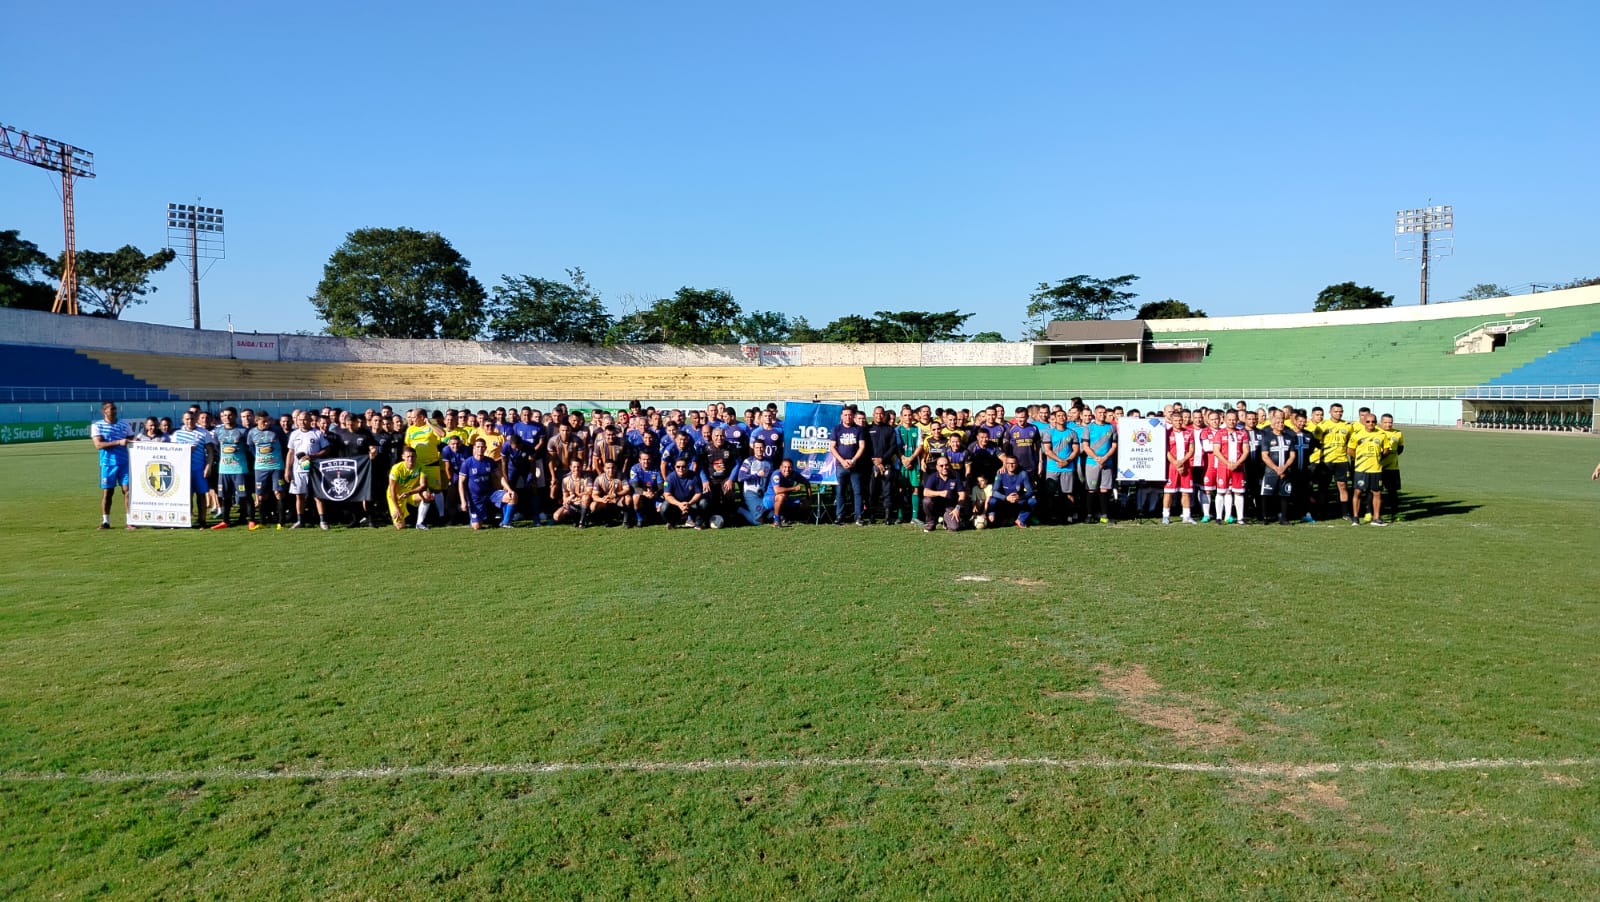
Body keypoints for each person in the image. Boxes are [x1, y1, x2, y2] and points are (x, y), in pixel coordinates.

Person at [90, 401, 134, 530]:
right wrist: (118, 442)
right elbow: (98, 445)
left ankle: (130, 521)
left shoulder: (124, 423)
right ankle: (105, 521)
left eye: (115, 409)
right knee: (108, 492)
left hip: (124, 463)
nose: (114, 411)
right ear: (104, 411)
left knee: (128, 491)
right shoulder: (97, 426)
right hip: (108, 464)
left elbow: (132, 439)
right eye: (111, 409)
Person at [284, 409, 330, 530]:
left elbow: (326, 449)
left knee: (318, 496)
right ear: (297, 421)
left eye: (305, 419)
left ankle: (323, 521)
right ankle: (300, 521)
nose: (303, 422)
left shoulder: (317, 433)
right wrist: (287, 470)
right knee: (299, 496)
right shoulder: (294, 434)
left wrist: (313, 456)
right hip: (298, 470)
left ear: (310, 421)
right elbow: (290, 452)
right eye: (300, 420)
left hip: (314, 470)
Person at [171, 410, 213, 529]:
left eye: (192, 418)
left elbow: (210, 451)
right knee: (185, 496)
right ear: (183, 420)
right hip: (182, 470)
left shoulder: (203, 433)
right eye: (187, 419)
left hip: (198, 469)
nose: (190, 421)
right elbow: (172, 452)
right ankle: (184, 520)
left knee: (201, 495)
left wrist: (208, 467)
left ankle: (202, 521)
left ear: (196, 419)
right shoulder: (177, 434)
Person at [210, 407, 251, 529]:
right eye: (224, 416)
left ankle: (246, 518)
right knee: (225, 496)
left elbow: (249, 449)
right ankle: (225, 520)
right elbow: (217, 447)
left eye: (230, 415)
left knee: (244, 495)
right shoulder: (218, 431)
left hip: (239, 468)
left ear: (235, 416)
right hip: (224, 469)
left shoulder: (242, 431)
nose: (227, 418)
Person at [247, 410, 288, 529]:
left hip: (276, 467)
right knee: (261, 495)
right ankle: (263, 522)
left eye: (268, 421)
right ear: (256, 421)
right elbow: (251, 449)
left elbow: (285, 446)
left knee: (279, 493)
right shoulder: (252, 433)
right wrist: (260, 459)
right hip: (260, 468)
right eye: (264, 421)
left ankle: (281, 522)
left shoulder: (276, 430)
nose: (267, 423)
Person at [1348, 408, 1388, 526]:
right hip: (1361, 469)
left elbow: (1386, 450)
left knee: (1377, 493)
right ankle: (1355, 518)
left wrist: (1378, 458)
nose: (1371, 424)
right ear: (1364, 422)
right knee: (1358, 492)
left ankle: (1376, 518)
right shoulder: (1357, 434)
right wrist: (1359, 458)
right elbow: (1350, 450)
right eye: (1368, 421)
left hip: (1376, 469)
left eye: (1373, 422)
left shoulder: (1381, 434)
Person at [829, 405, 867, 525]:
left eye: (850, 415)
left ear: (853, 416)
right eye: (845, 415)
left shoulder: (858, 429)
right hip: (841, 466)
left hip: (856, 466)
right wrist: (842, 460)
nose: (847, 417)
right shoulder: (837, 429)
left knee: (857, 492)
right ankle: (840, 516)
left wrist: (853, 460)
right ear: (841, 416)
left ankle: (858, 516)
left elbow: (862, 446)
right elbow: (832, 447)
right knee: (840, 492)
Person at [1258, 409, 1298, 524]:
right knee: (1266, 494)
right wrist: (1276, 469)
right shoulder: (1267, 437)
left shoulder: (1289, 437)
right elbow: (1264, 456)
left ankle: (1284, 518)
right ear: (1272, 425)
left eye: (1282, 423)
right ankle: (1265, 517)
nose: (1280, 425)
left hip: (1285, 471)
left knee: (1284, 494)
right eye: (1277, 423)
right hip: (1271, 471)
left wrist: (1284, 468)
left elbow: (1292, 455)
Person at [1319, 403, 1356, 522]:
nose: (1338, 413)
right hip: (1327, 461)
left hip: (1342, 461)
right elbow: (1316, 442)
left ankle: (1345, 513)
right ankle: (1323, 512)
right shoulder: (1323, 425)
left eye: (1340, 411)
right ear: (1330, 412)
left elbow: (1351, 441)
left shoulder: (1347, 426)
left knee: (1342, 486)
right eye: (1336, 411)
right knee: (1324, 487)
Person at [457, 437, 503, 529]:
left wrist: (508, 489)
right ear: (474, 448)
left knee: (511, 497)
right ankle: (476, 519)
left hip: (490, 494)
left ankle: (505, 522)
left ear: (485, 448)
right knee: (476, 527)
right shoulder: (467, 463)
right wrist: (463, 501)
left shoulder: (490, 461)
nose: (480, 449)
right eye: (478, 447)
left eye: (482, 447)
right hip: (475, 498)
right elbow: (461, 482)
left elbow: (500, 477)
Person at [866, 407, 902, 525]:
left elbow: (892, 447)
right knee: (872, 491)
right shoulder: (868, 429)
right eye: (876, 413)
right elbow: (865, 447)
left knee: (887, 491)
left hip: (886, 464)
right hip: (872, 465)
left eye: (881, 414)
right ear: (873, 414)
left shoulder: (889, 429)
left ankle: (888, 516)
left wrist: (882, 459)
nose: (879, 416)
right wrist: (874, 461)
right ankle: (872, 515)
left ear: (884, 415)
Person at [1162, 409, 1196, 525]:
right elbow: (1165, 451)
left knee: (1186, 492)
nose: (1178, 422)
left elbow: (1191, 450)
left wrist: (1182, 461)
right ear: (1171, 421)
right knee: (1169, 492)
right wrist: (1175, 463)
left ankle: (1186, 516)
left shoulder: (1188, 432)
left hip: (1185, 466)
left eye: (1180, 420)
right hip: (1172, 467)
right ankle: (1166, 516)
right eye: (1176, 420)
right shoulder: (1167, 433)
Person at [728, 440, 774, 525]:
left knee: (771, 515)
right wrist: (756, 475)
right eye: (757, 448)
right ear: (753, 448)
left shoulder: (769, 462)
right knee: (758, 522)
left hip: (763, 493)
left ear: (764, 448)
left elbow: (770, 479)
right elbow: (740, 478)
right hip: (751, 494)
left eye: (761, 447)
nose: (759, 449)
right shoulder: (748, 461)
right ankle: (740, 509)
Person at [387, 444, 432, 530]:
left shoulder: (421, 467)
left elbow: (423, 485)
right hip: (397, 496)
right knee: (400, 527)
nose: (410, 459)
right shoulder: (396, 468)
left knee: (427, 495)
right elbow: (392, 490)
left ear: (416, 456)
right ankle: (395, 515)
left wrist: (409, 493)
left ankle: (419, 523)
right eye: (408, 457)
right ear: (403, 457)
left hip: (409, 493)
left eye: (412, 456)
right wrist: (397, 508)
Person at [988, 453, 1036, 528]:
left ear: (1017, 464)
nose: (1011, 465)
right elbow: (994, 492)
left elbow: (1030, 491)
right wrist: (1006, 498)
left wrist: (1020, 497)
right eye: (1008, 463)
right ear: (1005, 464)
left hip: (1018, 500)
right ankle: (993, 516)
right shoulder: (1000, 474)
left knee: (1033, 501)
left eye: (1013, 463)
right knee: (992, 501)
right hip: (1004, 501)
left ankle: (1021, 519)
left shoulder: (1023, 474)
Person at [922, 455, 966, 532]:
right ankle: (931, 522)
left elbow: (962, 494)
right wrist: (940, 493)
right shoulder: (933, 477)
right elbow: (925, 492)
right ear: (937, 467)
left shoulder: (955, 476)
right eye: (941, 466)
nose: (944, 467)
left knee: (954, 528)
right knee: (926, 501)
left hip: (949, 506)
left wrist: (957, 508)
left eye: (946, 465)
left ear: (949, 465)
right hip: (935, 506)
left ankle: (945, 521)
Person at [663, 457, 709, 529]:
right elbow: (667, 495)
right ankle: (672, 522)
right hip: (676, 503)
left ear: (688, 467)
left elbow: (698, 493)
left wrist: (689, 503)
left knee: (704, 502)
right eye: (678, 466)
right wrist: (679, 504)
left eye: (683, 466)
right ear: (675, 467)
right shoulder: (669, 478)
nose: (681, 469)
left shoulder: (694, 477)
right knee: (664, 508)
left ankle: (699, 522)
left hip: (692, 503)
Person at [767, 457, 811, 527]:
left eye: (789, 467)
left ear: (792, 468)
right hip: (770, 500)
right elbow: (777, 490)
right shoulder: (776, 474)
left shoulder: (794, 474)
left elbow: (807, 483)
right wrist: (793, 488)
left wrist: (809, 498)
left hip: (785, 499)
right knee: (781, 496)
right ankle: (776, 520)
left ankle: (792, 518)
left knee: (804, 502)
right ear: (780, 467)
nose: (787, 469)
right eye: (785, 467)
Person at [628, 449, 664, 528]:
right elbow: (635, 486)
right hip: (641, 494)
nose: (646, 462)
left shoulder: (656, 469)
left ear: (651, 459)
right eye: (644, 459)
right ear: (639, 460)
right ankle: (639, 519)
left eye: (648, 459)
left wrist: (655, 493)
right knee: (635, 497)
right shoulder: (634, 469)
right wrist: (645, 493)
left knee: (662, 507)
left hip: (654, 493)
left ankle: (656, 518)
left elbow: (661, 486)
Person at [1378, 414, 1404, 520]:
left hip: (1393, 468)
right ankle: (1373, 513)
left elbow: (1400, 448)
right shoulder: (1376, 432)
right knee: (1376, 492)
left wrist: (1392, 458)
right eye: (1385, 422)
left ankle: (1395, 513)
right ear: (1381, 422)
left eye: (1390, 422)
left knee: (1393, 492)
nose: (1388, 424)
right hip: (1377, 468)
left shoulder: (1398, 433)